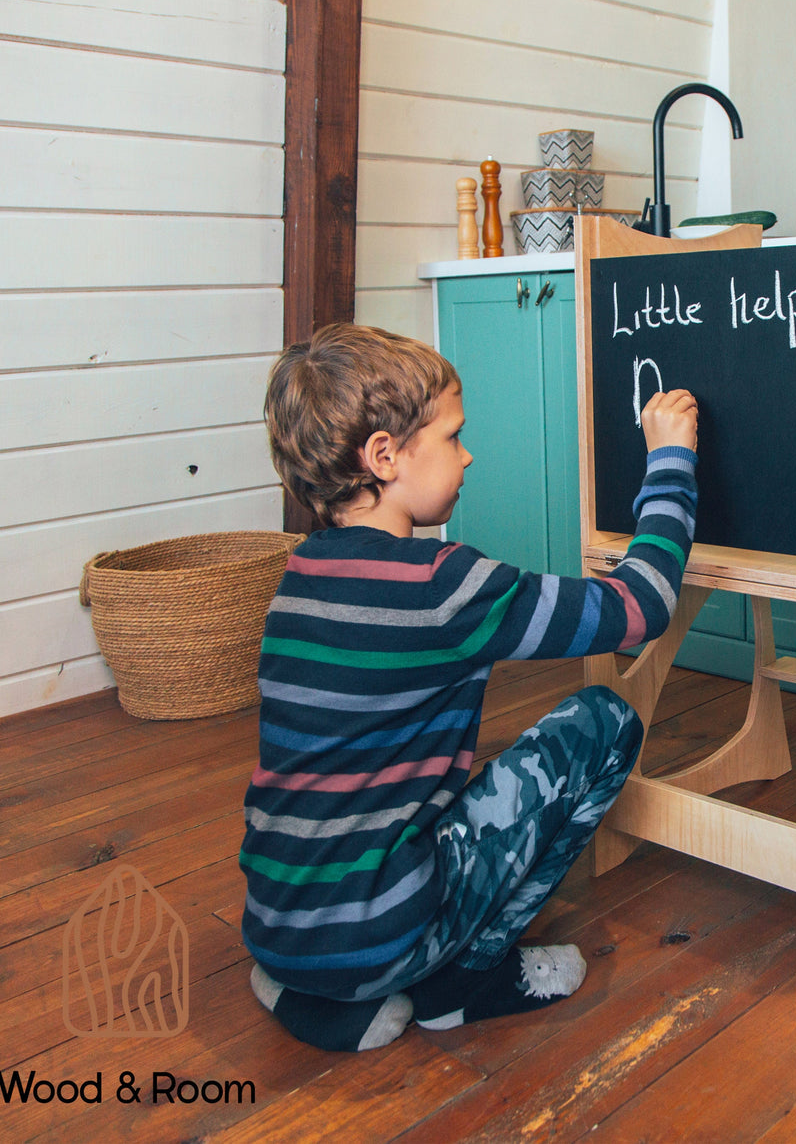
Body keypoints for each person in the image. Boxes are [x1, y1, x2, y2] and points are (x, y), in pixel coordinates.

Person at [240, 322, 698, 1052]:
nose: (467, 454)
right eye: (452, 436)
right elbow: (640, 607)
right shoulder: (441, 585)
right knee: (604, 721)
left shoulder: (298, 578)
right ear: (384, 456)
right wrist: (670, 459)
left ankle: (316, 994)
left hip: (277, 922)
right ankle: (458, 983)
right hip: (381, 928)